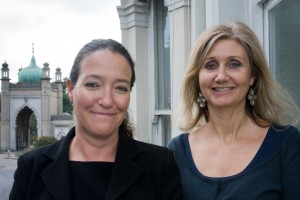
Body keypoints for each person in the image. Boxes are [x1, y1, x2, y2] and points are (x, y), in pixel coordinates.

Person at [10, 39, 183, 200]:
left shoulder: (159, 166)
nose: (107, 100)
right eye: (93, 84)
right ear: (70, 89)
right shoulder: (31, 167)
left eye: (121, 88)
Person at [168, 21, 300, 200]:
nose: (221, 76)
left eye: (234, 64)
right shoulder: (177, 151)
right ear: (197, 77)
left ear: (252, 76)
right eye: (211, 65)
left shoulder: (287, 144)